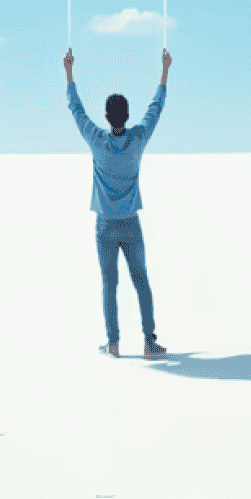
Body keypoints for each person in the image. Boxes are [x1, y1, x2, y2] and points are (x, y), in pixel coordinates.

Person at [63, 45, 172, 359]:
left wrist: (69, 72)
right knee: (141, 281)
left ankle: (113, 343)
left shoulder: (97, 141)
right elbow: (156, 107)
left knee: (109, 285)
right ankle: (150, 342)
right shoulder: (138, 140)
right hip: (130, 225)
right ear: (125, 115)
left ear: (108, 118)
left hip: (105, 226)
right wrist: (165, 70)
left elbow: (76, 110)